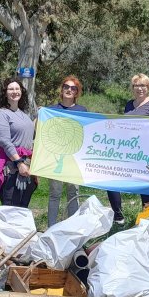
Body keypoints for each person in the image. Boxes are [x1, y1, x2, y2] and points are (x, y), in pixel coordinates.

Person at [107, 73, 149, 224]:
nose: (140, 88)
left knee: (143, 186)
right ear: (132, 88)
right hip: (128, 151)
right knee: (112, 180)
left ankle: (148, 217)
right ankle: (118, 217)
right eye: (137, 85)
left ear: (148, 87)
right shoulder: (129, 105)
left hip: (145, 154)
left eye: (143, 85)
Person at [0, 78, 36, 207]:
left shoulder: (23, 114)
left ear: (21, 92)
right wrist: (19, 163)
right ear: (5, 93)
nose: (14, 91)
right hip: (11, 167)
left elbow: (29, 137)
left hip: (27, 165)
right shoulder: (1, 114)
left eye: (17, 89)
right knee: (10, 208)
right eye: (11, 89)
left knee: (23, 207)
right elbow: (5, 142)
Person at [47, 75, 88, 226]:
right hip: (56, 159)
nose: (69, 90)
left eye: (73, 88)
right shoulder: (51, 110)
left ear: (77, 92)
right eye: (66, 87)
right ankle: (51, 226)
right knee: (54, 194)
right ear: (62, 89)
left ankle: (72, 227)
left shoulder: (82, 111)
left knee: (73, 194)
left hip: (74, 160)